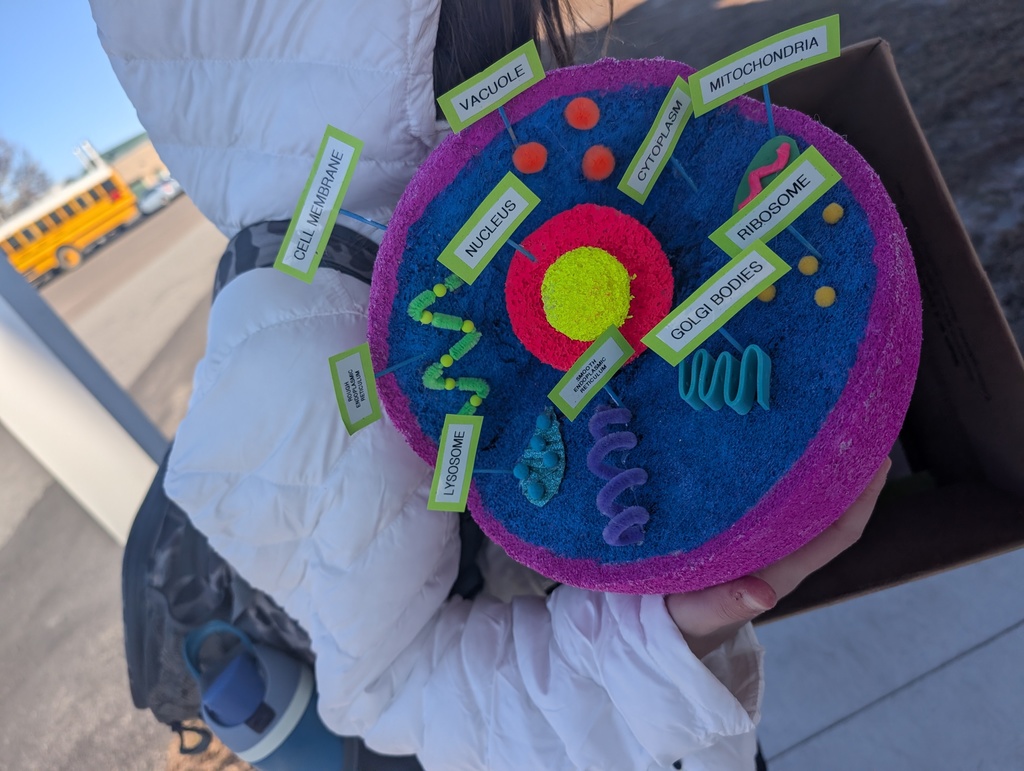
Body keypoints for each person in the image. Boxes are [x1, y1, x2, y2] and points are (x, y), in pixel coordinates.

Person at [91, 1, 890, 768]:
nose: (561, 38)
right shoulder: (305, 353)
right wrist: (658, 647)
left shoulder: (492, 155)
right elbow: (400, 687)